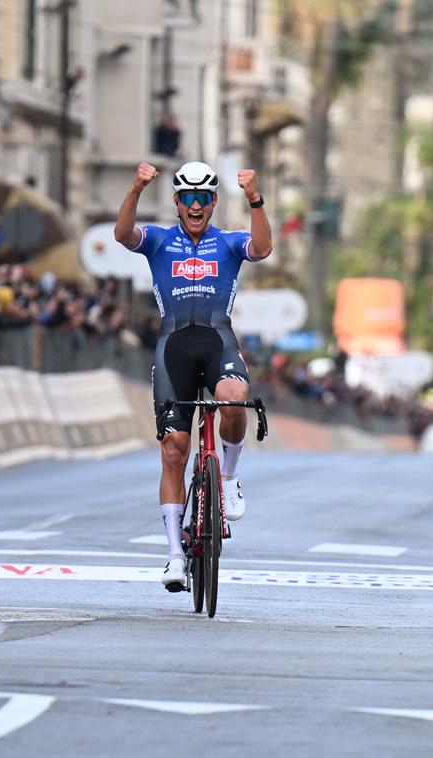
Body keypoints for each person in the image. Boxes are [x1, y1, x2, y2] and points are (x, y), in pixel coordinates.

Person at [114, 159, 273, 591]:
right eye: (189, 199)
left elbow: (262, 249)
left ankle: (229, 478)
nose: (196, 206)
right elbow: (123, 235)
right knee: (173, 451)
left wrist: (255, 198)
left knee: (235, 398)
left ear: (214, 202)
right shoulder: (161, 240)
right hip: (173, 348)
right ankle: (173, 557)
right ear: (178, 203)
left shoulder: (227, 242)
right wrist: (134, 189)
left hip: (217, 340)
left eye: (204, 198)